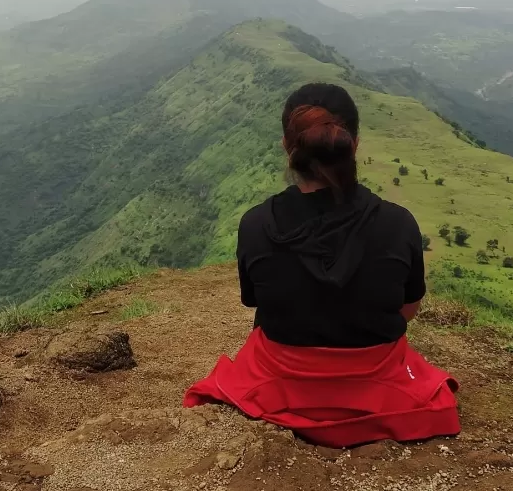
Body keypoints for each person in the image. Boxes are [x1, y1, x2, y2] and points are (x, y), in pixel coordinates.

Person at [183, 83, 460, 447]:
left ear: (287, 147)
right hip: (376, 375)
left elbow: (256, 304)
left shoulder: (255, 224)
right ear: (354, 144)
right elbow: (408, 309)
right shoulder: (399, 223)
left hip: (282, 376)